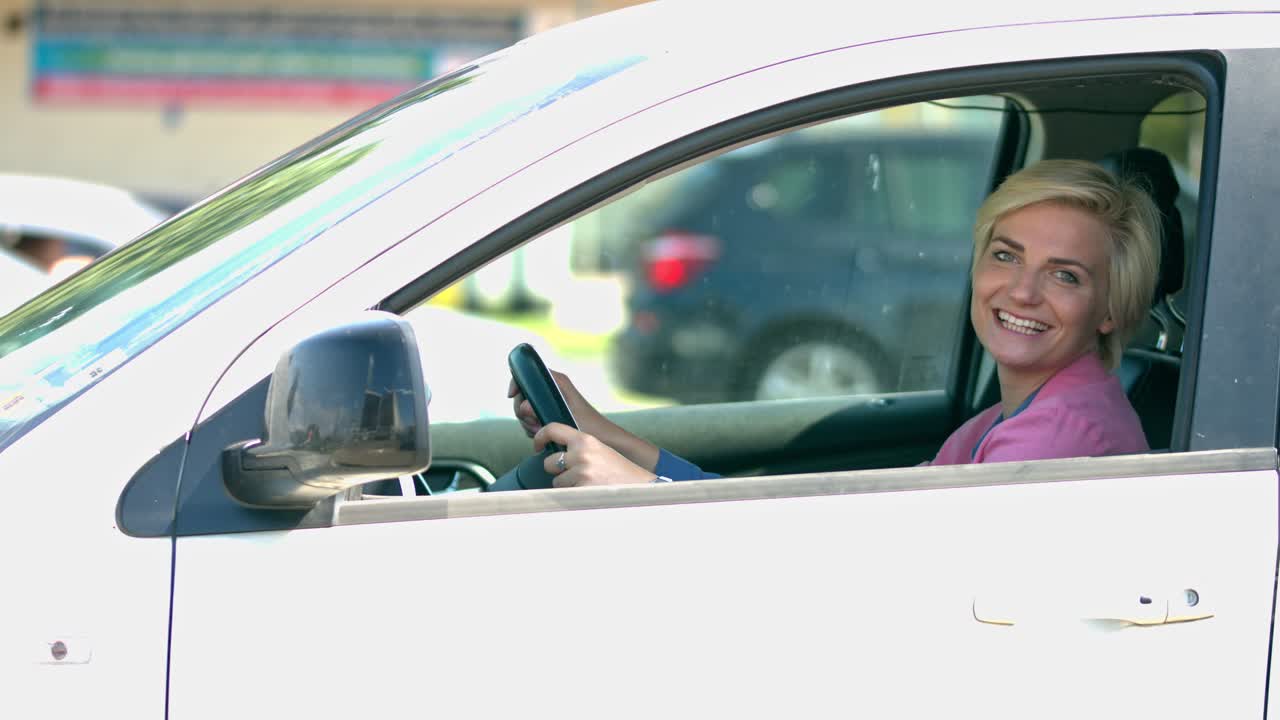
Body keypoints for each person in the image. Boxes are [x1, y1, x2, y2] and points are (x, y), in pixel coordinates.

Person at [509, 159, 1162, 486]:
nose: (1020, 290)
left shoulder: (1055, 437)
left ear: (1112, 308)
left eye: (1065, 274)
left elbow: (897, 591)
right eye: (1004, 254)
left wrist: (639, 493)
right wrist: (602, 433)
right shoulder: (1014, 415)